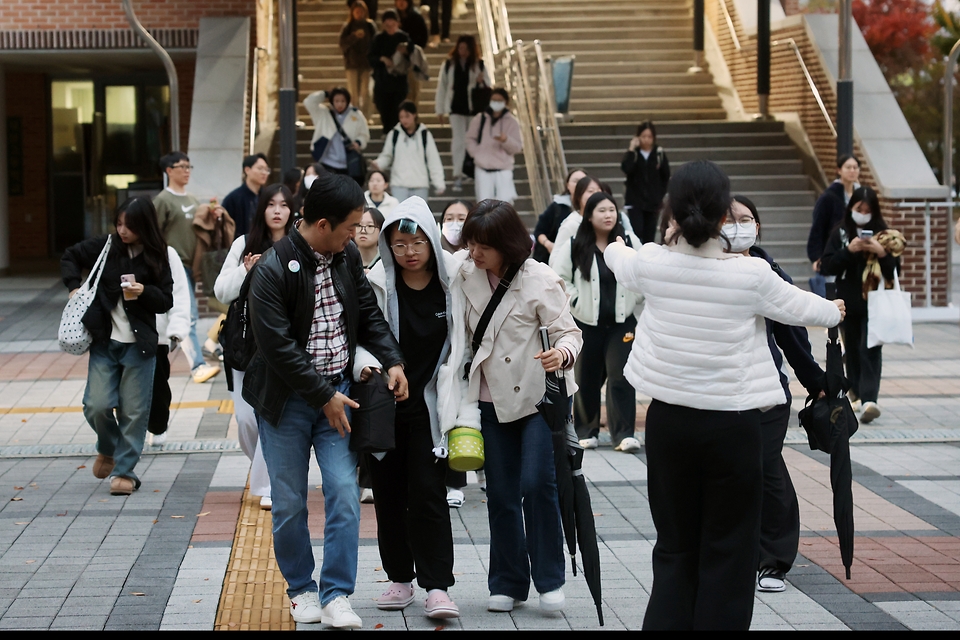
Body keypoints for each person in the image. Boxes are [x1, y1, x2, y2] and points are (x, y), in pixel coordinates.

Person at [602, 160, 844, 630]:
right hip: (734, 427)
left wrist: (619, 245)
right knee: (729, 549)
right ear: (722, 217)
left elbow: (617, 257)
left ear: (672, 209)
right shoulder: (751, 274)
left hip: (669, 424)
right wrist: (835, 311)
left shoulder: (652, 262)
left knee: (674, 547)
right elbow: (807, 309)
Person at [243, 170, 407, 628]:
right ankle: (301, 590)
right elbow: (278, 349)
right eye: (350, 226)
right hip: (286, 403)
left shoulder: (345, 255)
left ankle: (337, 594)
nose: (356, 234)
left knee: (344, 493)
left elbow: (368, 312)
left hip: (340, 394)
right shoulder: (272, 269)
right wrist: (324, 397)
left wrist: (392, 358)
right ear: (321, 225)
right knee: (290, 500)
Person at [455, 199, 583, 614]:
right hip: (489, 402)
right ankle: (507, 582)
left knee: (536, 486)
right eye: (471, 244)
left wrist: (561, 354)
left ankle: (549, 579)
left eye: (483, 246)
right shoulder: (465, 274)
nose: (475, 253)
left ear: (507, 244)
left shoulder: (539, 279)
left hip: (537, 401)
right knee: (502, 495)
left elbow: (570, 333)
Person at [352, 197, 476, 619]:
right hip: (384, 407)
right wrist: (371, 368)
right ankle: (400, 580)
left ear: (431, 240)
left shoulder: (454, 280)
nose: (408, 252)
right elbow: (360, 339)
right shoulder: (375, 282)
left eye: (417, 242)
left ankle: (438, 587)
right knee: (387, 495)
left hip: (432, 408)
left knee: (428, 495)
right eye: (399, 244)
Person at [723, 195, 826, 594]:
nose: (738, 225)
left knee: (765, 469)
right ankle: (738, 552)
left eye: (746, 218)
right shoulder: (707, 270)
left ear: (758, 226)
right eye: (730, 219)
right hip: (721, 396)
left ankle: (774, 560)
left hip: (766, 395)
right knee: (735, 473)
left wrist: (815, 380)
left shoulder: (768, 272)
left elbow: (792, 332)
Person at [61, 197, 174, 496]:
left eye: (130, 225)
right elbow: (70, 255)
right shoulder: (106, 245)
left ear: (144, 226)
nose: (122, 230)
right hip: (104, 342)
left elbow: (166, 300)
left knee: (134, 412)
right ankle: (108, 447)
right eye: (119, 223)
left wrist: (144, 291)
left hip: (140, 346)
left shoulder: (158, 254)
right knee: (95, 405)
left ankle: (124, 472)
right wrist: (74, 285)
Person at [216, 184, 296, 511]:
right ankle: (271, 466)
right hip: (245, 344)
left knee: (270, 417)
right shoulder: (243, 245)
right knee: (247, 420)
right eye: (271, 205)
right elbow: (222, 292)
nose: (278, 211)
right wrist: (246, 270)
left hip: (285, 344)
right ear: (262, 209)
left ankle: (268, 484)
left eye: (284, 205)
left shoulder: (298, 245)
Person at [553, 192, 642, 453]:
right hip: (586, 324)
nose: (608, 215)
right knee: (586, 377)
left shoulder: (626, 242)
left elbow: (642, 270)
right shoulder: (575, 244)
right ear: (589, 215)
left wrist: (634, 298)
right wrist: (577, 302)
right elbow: (559, 279)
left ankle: (624, 434)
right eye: (601, 210)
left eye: (612, 210)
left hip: (621, 324)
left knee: (621, 376)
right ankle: (586, 430)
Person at [820, 186, 902, 425]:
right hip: (848, 301)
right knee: (853, 349)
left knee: (871, 348)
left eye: (867, 210)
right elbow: (828, 265)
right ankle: (856, 394)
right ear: (852, 208)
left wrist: (882, 253)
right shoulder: (841, 232)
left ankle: (869, 399)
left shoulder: (884, 234)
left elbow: (895, 270)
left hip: (875, 301)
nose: (863, 214)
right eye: (859, 209)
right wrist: (850, 250)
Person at [153, 152, 221, 384]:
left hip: (192, 266)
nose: (186, 170)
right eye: (181, 166)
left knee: (183, 314)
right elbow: (153, 234)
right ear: (168, 171)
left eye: (188, 166)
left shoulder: (192, 199)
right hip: (174, 266)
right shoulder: (162, 200)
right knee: (188, 314)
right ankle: (197, 365)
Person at [148, 241, 192, 447]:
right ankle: (131, 432)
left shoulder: (165, 253)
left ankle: (157, 425)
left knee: (157, 385)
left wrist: (176, 329)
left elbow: (180, 294)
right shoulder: (115, 251)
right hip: (123, 334)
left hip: (156, 334)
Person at [435, 35, 492, 192]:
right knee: (459, 141)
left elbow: (488, 86)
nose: (463, 52)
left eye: (466, 49)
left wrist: (482, 82)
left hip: (474, 109)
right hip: (455, 108)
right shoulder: (449, 65)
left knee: (473, 141)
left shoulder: (479, 64)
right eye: (460, 48)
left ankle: (472, 172)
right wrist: (439, 109)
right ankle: (458, 174)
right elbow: (443, 87)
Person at [807, 154, 861, 297]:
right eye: (848, 167)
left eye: (855, 167)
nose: (852, 171)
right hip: (833, 252)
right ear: (839, 170)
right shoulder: (829, 197)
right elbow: (818, 227)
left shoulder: (861, 196)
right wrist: (816, 256)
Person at [372, 100, 446, 201]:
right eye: (401, 117)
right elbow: (387, 155)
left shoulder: (424, 134)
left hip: (420, 184)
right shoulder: (395, 134)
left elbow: (433, 159)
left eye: (407, 116)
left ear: (414, 115)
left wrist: (439, 182)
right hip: (399, 184)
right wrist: (379, 163)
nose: (404, 120)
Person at [465, 89, 522, 204]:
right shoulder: (480, 119)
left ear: (506, 102)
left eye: (499, 100)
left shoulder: (512, 122)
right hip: (482, 168)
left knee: (504, 206)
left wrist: (505, 140)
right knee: (483, 205)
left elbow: (517, 147)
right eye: (494, 100)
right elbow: (469, 138)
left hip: (503, 169)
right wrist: (476, 153)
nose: (496, 103)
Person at [304, 88, 370, 180]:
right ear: (332, 101)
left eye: (343, 101)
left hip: (348, 161)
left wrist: (358, 142)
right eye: (336, 101)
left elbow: (364, 134)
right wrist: (325, 93)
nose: (340, 104)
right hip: (327, 161)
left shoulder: (356, 115)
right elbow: (308, 102)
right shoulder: (323, 113)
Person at [621, 121, 670, 244]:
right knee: (636, 231)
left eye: (649, 137)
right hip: (635, 200)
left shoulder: (659, 153)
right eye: (643, 136)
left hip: (653, 202)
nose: (646, 140)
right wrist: (631, 149)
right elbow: (626, 168)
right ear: (638, 137)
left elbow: (665, 176)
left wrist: (660, 195)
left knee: (650, 235)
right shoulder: (635, 153)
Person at [548, 175, 607, 270]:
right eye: (590, 191)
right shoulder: (571, 224)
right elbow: (555, 260)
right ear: (579, 196)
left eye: (599, 191)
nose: (596, 195)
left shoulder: (607, 221)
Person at [369, 9, 412, 135]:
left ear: (397, 23)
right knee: (383, 106)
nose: (390, 27)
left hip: (399, 80)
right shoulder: (378, 38)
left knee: (397, 108)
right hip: (382, 80)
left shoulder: (403, 37)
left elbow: (412, 55)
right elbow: (371, 57)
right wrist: (381, 59)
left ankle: (397, 132)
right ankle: (387, 131)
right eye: (387, 25)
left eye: (392, 24)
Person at [533, 168, 587, 263]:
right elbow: (540, 231)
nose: (579, 185)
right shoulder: (557, 206)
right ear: (567, 185)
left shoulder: (593, 207)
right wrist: (549, 245)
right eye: (575, 181)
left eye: (583, 181)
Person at [340, 1, 377, 115]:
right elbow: (343, 44)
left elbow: (375, 42)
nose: (359, 13)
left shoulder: (370, 25)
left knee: (366, 91)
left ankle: (366, 116)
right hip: (352, 63)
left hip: (367, 63)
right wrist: (354, 36)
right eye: (356, 11)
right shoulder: (348, 26)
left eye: (361, 11)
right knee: (353, 93)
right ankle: (353, 115)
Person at [222, 153, 271, 237]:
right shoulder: (233, 198)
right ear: (247, 170)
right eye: (260, 169)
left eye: (266, 170)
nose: (264, 173)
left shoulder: (268, 196)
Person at [394, 0, 428, 106]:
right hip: (396, 62)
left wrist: (410, 48)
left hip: (413, 61)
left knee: (413, 92)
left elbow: (423, 38)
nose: (401, 3)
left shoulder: (416, 17)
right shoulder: (392, 17)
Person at [357, 206, 385, 271]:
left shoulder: (385, 263)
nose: (363, 231)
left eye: (370, 226)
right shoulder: (345, 260)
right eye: (358, 225)